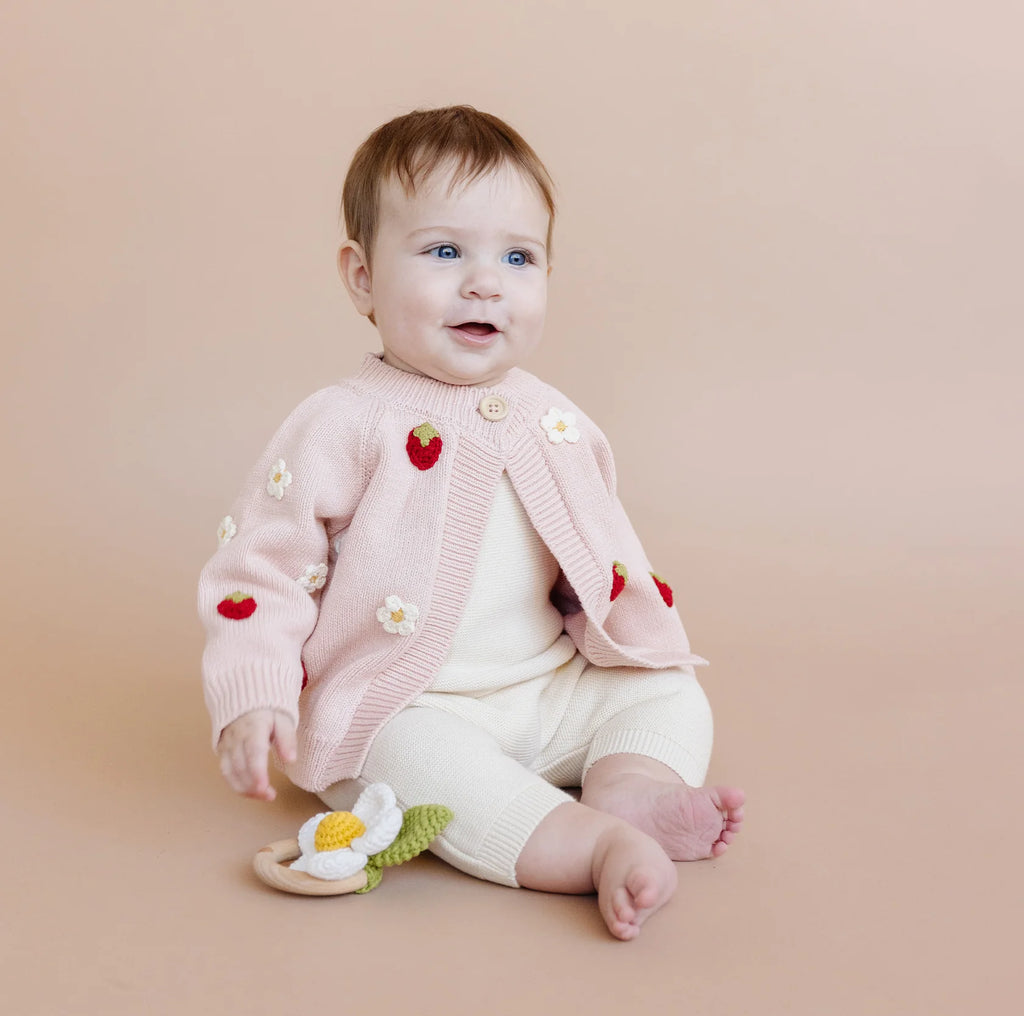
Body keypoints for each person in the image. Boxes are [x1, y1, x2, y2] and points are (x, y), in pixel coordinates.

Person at [199, 105, 744, 940]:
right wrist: (255, 694)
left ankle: (630, 783)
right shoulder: (340, 423)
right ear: (361, 278)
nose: (485, 282)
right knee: (418, 765)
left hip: (549, 689)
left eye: (518, 257)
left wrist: (628, 635)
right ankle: (585, 845)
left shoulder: (555, 417)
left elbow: (602, 554)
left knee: (668, 690)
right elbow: (261, 572)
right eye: (445, 251)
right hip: (405, 705)